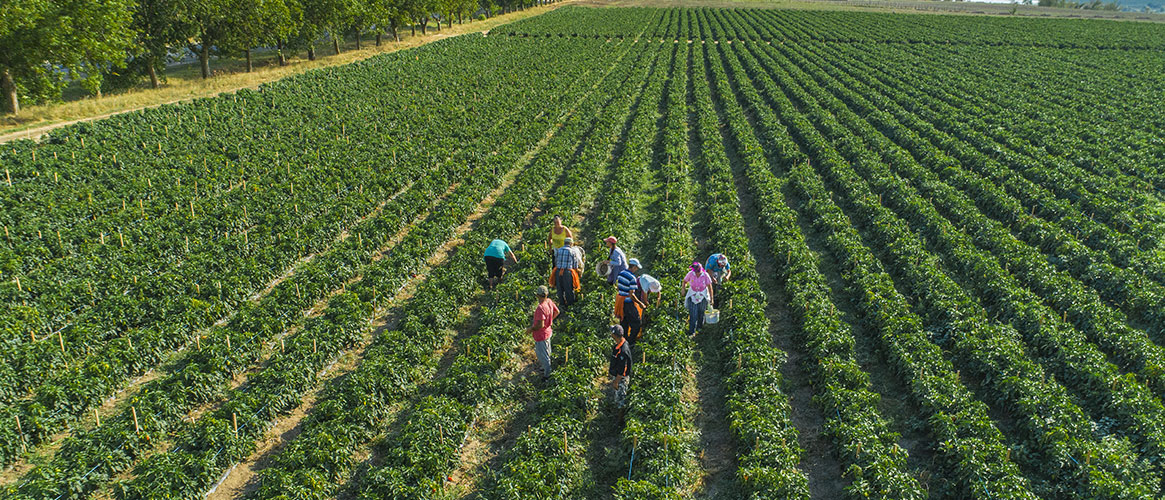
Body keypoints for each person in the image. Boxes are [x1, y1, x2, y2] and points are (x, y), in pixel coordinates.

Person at [527, 286, 559, 381]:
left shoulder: (540, 308)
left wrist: (530, 329)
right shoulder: (549, 301)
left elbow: (540, 325)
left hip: (541, 335)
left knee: (542, 354)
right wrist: (549, 321)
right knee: (547, 351)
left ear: (537, 295)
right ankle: (546, 367)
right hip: (548, 331)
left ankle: (547, 375)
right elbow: (557, 312)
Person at [615, 263, 648, 344]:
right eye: (636, 268)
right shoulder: (632, 278)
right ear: (633, 267)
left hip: (620, 302)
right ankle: (630, 342)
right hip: (628, 303)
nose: (636, 269)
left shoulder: (621, 273)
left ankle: (623, 340)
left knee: (624, 321)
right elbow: (631, 295)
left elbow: (618, 287)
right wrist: (640, 303)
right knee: (636, 323)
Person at [682, 262, 714, 337]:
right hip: (693, 294)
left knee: (701, 312)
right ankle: (692, 331)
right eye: (695, 272)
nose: (696, 274)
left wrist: (712, 299)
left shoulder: (705, 275)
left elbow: (710, 287)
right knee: (693, 313)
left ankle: (699, 327)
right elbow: (684, 281)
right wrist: (683, 289)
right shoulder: (691, 274)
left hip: (702, 295)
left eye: (698, 272)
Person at [551, 237, 584, 307]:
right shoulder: (572, 251)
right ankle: (570, 304)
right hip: (567, 272)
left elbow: (556, 261)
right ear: (571, 244)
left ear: (564, 243)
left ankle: (562, 303)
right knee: (568, 288)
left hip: (558, 271)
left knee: (559, 288)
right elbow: (575, 265)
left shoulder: (559, 250)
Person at [608, 325, 633, 411]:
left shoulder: (623, 351)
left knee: (621, 401)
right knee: (618, 399)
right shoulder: (621, 343)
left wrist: (616, 382)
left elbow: (623, 369)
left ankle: (619, 421)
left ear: (615, 335)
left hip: (621, 379)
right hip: (618, 377)